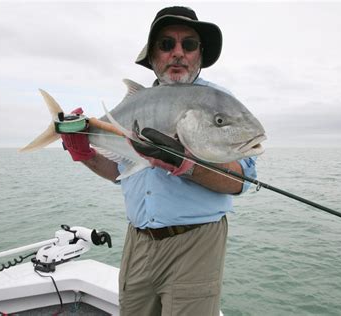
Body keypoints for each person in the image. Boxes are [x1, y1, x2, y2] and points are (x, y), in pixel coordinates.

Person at [61, 6, 257, 316]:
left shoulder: (219, 103)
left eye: (188, 44)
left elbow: (240, 182)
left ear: (200, 55)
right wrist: (83, 152)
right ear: (153, 57)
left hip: (195, 244)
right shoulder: (137, 103)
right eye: (166, 45)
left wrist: (188, 165)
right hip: (137, 243)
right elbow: (118, 172)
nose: (178, 53)